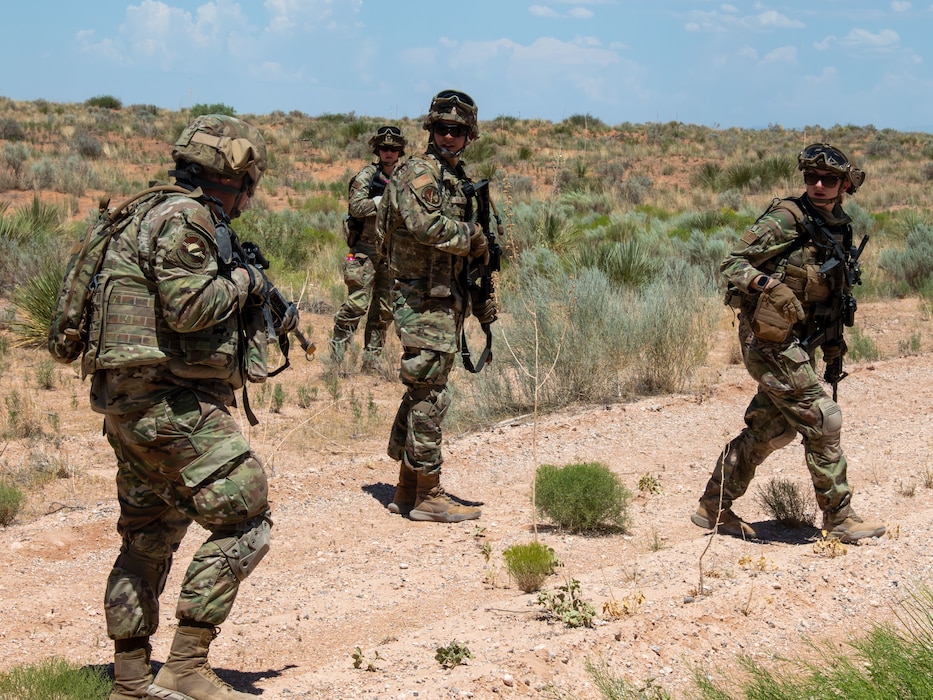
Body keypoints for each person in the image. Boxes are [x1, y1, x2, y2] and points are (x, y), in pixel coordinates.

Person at [92, 115, 275, 700]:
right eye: (249, 183)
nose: (249, 196)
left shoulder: (141, 212)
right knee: (245, 517)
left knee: (148, 534)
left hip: (128, 404)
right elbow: (190, 308)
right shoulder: (186, 218)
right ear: (235, 176)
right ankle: (186, 666)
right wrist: (247, 281)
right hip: (168, 403)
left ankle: (128, 679)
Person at [691, 143, 886, 544]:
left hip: (797, 340)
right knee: (823, 419)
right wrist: (769, 285)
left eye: (828, 179)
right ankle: (840, 518)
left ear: (845, 184)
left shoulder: (838, 225)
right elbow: (732, 263)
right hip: (768, 339)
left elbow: (833, 299)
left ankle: (713, 507)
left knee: (771, 431)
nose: (817, 184)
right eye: (810, 177)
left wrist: (833, 351)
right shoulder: (787, 218)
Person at [376, 89, 495, 522]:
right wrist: (475, 238)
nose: (449, 137)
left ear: (469, 135)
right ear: (431, 130)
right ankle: (429, 494)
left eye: (457, 131)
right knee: (430, 394)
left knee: (425, 388)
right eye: (443, 129)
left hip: (444, 297)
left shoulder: (457, 178)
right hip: (420, 299)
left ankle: (408, 488)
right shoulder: (419, 174)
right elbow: (428, 227)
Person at [330, 125, 406, 373]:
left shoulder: (406, 178)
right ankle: (335, 359)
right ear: (377, 150)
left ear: (400, 151)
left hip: (392, 253)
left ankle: (371, 365)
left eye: (394, 149)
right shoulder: (366, 176)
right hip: (365, 251)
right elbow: (356, 208)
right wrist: (385, 202)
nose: (389, 153)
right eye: (384, 148)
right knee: (356, 305)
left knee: (383, 311)